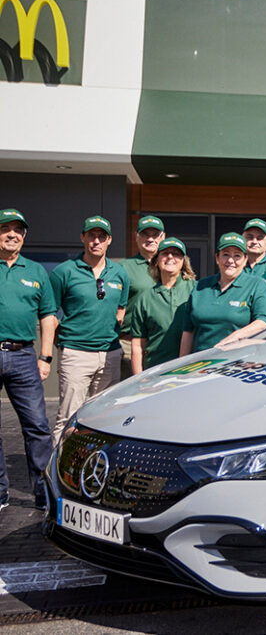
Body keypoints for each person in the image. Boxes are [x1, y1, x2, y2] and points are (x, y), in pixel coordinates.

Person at [50, 216, 129, 435]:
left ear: (109, 240)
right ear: (82, 238)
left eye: (101, 237)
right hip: (76, 354)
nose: (96, 241)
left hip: (109, 356)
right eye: (91, 236)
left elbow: (120, 311)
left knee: (102, 419)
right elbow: (51, 315)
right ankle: (56, 468)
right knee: (69, 419)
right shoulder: (64, 272)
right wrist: (56, 348)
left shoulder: (120, 273)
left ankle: (92, 465)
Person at [0, 209, 56, 512]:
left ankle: (41, 492)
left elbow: (48, 316)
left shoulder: (35, 272)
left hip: (24, 356)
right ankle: (0, 493)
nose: (12, 234)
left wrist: (45, 357)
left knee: (37, 426)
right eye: (5, 228)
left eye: (17, 230)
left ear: (24, 236)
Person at [180, 233, 266, 354]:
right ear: (217, 258)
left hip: (238, 364)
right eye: (225, 255)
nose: (230, 260)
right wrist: (182, 362)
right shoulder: (201, 286)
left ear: (245, 260)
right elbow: (188, 331)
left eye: (237, 256)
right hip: (200, 364)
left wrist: (236, 336)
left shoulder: (256, 285)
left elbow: (264, 321)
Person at [129, 237, 197, 372]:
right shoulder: (145, 298)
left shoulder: (196, 290)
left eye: (176, 254)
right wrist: (138, 379)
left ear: (183, 261)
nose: (170, 257)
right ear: (156, 261)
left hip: (191, 370)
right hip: (155, 370)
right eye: (165, 253)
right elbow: (137, 346)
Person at [119, 216, 165, 378]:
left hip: (163, 344)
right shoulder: (124, 268)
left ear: (163, 237)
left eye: (155, 234)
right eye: (145, 234)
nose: (150, 239)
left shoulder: (172, 266)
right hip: (130, 344)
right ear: (136, 237)